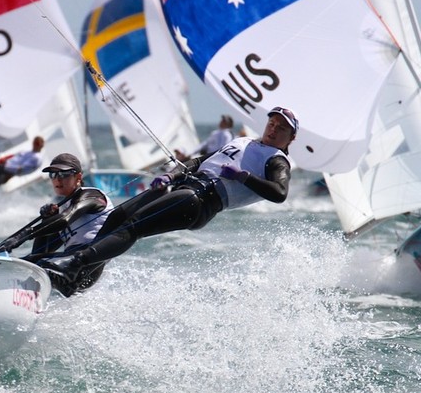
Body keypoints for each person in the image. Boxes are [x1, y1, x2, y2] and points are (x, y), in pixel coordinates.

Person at [43, 107, 298, 284]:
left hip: (199, 200)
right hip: (183, 186)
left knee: (132, 228)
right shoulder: (244, 141)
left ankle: (73, 265)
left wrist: (243, 176)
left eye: (281, 129)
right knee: (116, 217)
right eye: (272, 124)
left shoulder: (277, 160)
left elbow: (279, 193)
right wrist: (171, 176)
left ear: (291, 138)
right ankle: (79, 277)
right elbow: (198, 160)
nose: (273, 130)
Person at [0, 152, 113, 295]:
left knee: (35, 266)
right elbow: (41, 251)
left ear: (79, 177)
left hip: (85, 265)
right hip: (69, 262)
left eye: (64, 174)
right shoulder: (64, 206)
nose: (57, 179)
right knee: (26, 263)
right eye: (53, 175)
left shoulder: (92, 195)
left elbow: (65, 219)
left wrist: (21, 237)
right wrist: (47, 219)